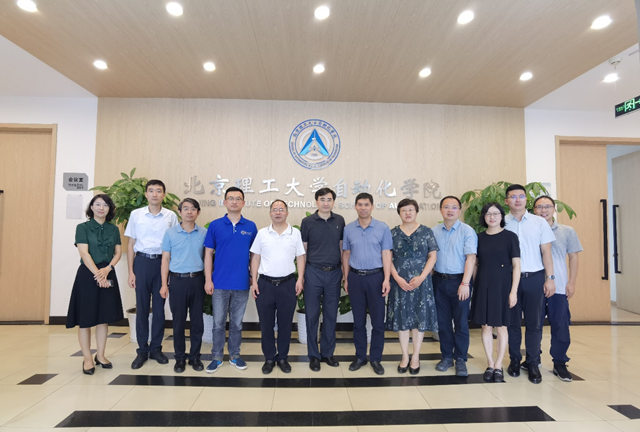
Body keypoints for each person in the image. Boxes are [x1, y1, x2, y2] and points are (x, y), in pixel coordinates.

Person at [503, 184, 555, 384]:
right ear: (506, 200)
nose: (518, 200)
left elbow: (546, 252)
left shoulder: (539, 222)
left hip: (535, 278)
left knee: (534, 324)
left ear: (526, 199)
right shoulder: (501, 221)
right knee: (512, 323)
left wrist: (550, 278)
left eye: (521, 196)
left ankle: (533, 362)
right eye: (513, 196)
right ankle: (515, 360)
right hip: (509, 280)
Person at [66, 194, 124, 375]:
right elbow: (84, 253)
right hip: (88, 274)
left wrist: (107, 269)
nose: (101, 208)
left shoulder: (113, 229)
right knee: (85, 319)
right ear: (91, 207)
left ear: (109, 208)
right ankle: (87, 358)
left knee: (103, 317)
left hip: (107, 271)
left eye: (105, 205)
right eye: (97, 204)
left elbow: (118, 252)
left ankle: (101, 355)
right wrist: (98, 274)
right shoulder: (82, 228)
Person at [125, 179, 178, 369]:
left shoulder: (171, 216)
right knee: (142, 308)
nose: (155, 194)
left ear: (164, 194)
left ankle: (156, 348)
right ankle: (142, 350)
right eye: (151, 190)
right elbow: (131, 244)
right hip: (142, 262)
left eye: (158, 191)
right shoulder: (136, 215)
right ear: (146, 194)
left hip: (162, 264)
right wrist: (131, 271)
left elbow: (175, 243)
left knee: (159, 309)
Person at [204, 187, 257, 373]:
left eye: (238, 199)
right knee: (218, 323)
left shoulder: (251, 226)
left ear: (243, 203)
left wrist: (253, 278)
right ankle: (217, 357)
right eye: (231, 198)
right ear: (225, 202)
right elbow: (208, 254)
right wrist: (208, 279)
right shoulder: (215, 225)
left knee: (236, 324)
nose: (234, 201)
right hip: (219, 283)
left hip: (242, 283)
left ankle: (235, 355)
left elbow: (254, 255)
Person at [250, 200, 306, 374]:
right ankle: (269, 358)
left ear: (287, 213)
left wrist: (300, 279)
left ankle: (282, 357)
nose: (278, 212)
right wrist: (254, 281)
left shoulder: (295, 233)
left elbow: (301, 257)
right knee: (266, 324)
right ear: (270, 213)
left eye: (281, 209)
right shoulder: (262, 233)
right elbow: (255, 257)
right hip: (265, 284)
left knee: (285, 324)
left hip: (287, 284)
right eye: (275, 209)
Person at [342, 193, 393, 375]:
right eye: (360, 204)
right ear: (355, 206)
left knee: (378, 322)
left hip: (376, 278)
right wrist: (346, 278)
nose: (363, 208)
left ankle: (376, 358)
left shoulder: (382, 228)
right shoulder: (348, 229)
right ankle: (360, 357)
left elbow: (386, 254)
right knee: (358, 322)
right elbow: (346, 254)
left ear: (372, 206)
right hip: (355, 278)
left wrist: (386, 279)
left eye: (366, 204)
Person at [387, 198, 438, 375]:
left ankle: (415, 356)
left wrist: (422, 277)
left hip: (421, 282)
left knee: (418, 318)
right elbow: (387, 257)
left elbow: (432, 256)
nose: (407, 213)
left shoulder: (426, 231)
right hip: (399, 282)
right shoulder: (392, 233)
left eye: (411, 210)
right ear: (399, 213)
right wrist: (396, 277)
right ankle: (404, 356)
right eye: (404, 210)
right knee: (402, 319)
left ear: (416, 212)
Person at [533, 196, 582, 382]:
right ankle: (533, 359)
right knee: (534, 324)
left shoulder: (566, 231)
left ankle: (560, 362)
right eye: (539, 207)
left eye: (547, 206)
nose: (543, 210)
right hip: (534, 286)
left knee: (560, 324)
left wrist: (572, 282)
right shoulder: (530, 230)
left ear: (554, 209)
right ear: (534, 210)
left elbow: (574, 257)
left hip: (559, 286)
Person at [470, 202, 521, 382]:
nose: (492, 217)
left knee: (502, 327)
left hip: (503, 284)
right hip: (483, 283)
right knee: (485, 326)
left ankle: (499, 365)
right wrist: (474, 286)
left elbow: (516, 266)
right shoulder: (478, 238)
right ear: (483, 217)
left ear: (501, 216)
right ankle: (490, 363)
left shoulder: (510, 237)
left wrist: (513, 291)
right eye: (488, 214)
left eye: (496, 213)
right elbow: (475, 264)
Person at [160, 198, 207, 373]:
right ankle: (179, 358)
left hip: (197, 280)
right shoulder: (170, 233)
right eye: (185, 208)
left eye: (193, 209)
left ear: (198, 212)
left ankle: (195, 357)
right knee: (178, 322)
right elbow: (165, 259)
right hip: (177, 281)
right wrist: (164, 284)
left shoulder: (204, 233)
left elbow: (208, 257)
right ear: (179, 212)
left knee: (197, 322)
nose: (189, 212)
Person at [300, 188, 346, 371]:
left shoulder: (340, 220)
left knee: (330, 315)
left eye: (329, 199)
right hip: (313, 272)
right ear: (316, 202)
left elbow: (342, 248)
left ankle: (327, 353)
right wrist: (302, 276)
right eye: (322, 199)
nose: (326, 203)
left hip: (334, 273)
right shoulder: (307, 222)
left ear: (333, 202)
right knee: (312, 315)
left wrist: (344, 273)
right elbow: (303, 250)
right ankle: (313, 355)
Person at [432, 196, 477, 377]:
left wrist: (465, 283)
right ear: (440, 210)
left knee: (461, 323)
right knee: (442, 323)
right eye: (446, 207)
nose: (450, 210)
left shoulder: (467, 231)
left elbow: (471, 258)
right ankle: (446, 357)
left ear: (459, 210)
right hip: (439, 281)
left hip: (460, 281)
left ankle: (460, 359)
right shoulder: (434, 231)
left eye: (454, 207)